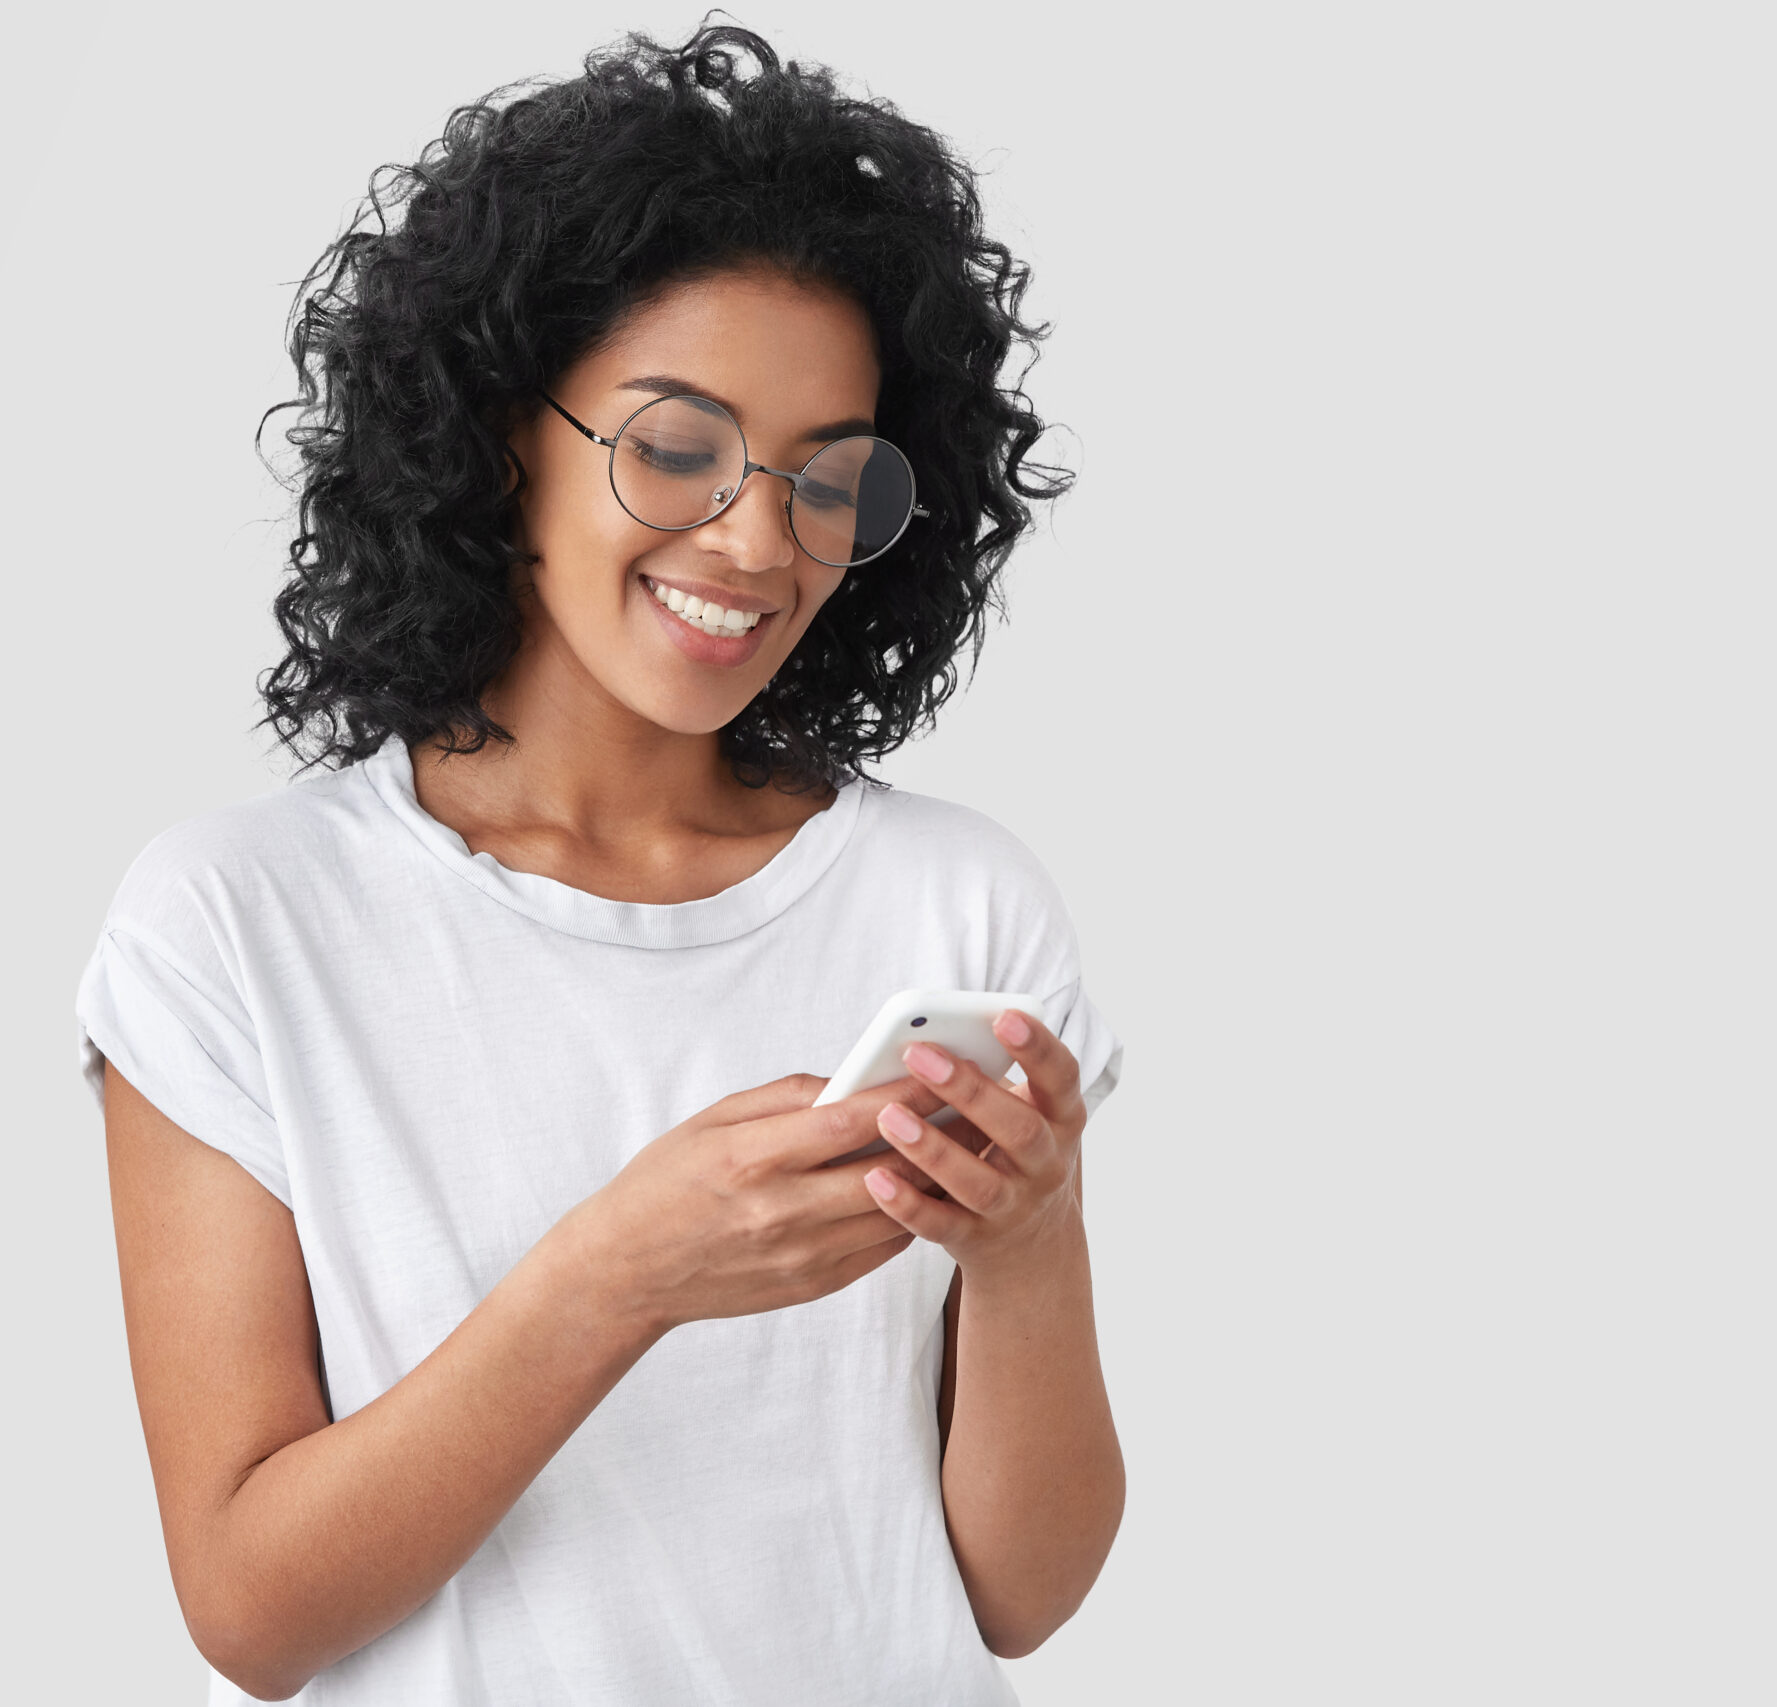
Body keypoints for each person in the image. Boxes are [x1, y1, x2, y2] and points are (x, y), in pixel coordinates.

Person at [72, 22, 1125, 1704]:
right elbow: (251, 1614)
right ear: (503, 435)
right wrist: (617, 1278)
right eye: (679, 447)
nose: (758, 542)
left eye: (827, 476)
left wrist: (1030, 1245)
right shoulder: (238, 921)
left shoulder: (956, 905)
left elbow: (1018, 1597)